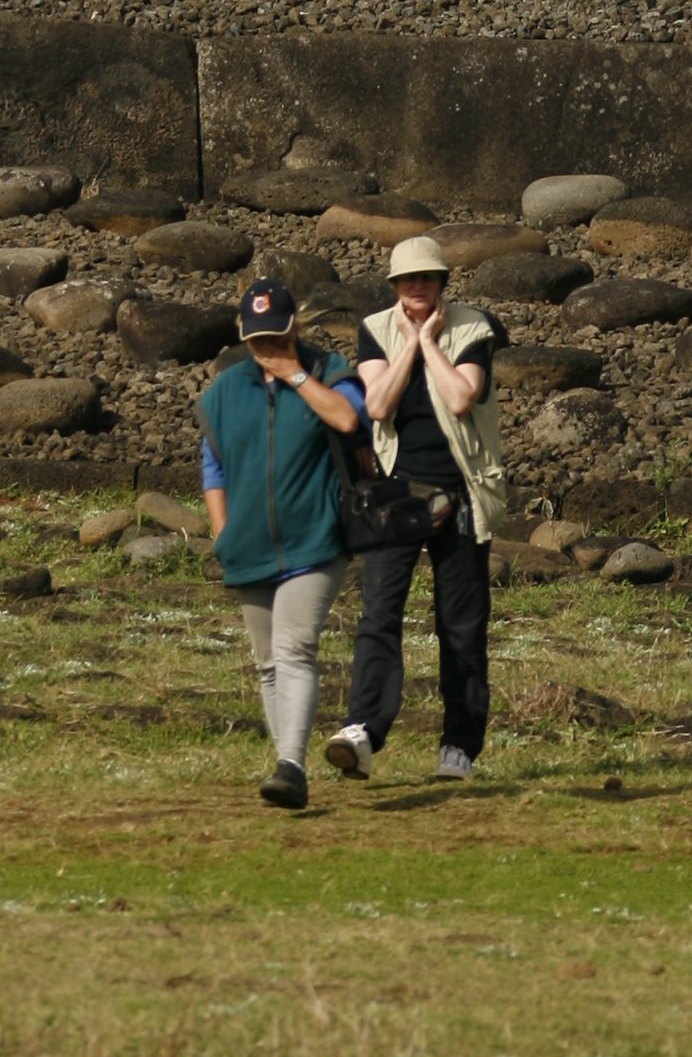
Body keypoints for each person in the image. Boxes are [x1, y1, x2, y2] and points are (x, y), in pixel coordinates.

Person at [326, 235, 509, 785]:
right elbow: (378, 405)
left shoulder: (475, 328)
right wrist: (406, 341)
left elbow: (460, 397)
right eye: (408, 281)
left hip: (462, 492)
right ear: (394, 287)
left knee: (461, 625)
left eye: (427, 279)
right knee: (379, 612)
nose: (417, 288)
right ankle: (362, 730)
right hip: (396, 492)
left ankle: (458, 747)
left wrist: (430, 341)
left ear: (442, 282)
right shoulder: (375, 330)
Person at [197, 276, 366, 811]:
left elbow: (348, 418)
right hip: (246, 547)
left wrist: (293, 374)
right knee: (268, 662)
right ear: (242, 337)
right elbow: (213, 465)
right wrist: (221, 531)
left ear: (295, 330)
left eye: (277, 336)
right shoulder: (225, 392)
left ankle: (290, 767)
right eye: (257, 340)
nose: (266, 348)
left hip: (317, 540)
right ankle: (285, 763)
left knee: (295, 649)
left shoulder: (329, 372)